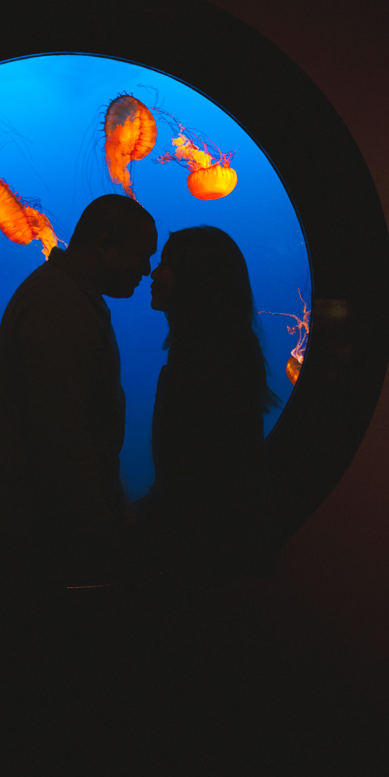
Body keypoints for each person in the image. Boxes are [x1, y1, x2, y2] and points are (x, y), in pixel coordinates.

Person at [0, 193, 158, 589]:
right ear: (106, 246)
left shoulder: (69, 294)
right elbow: (61, 436)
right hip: (41, 530)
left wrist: (114, 496)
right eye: (143, 255)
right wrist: (98, 529)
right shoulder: (60, 304)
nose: (147, 270)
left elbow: (82, 428)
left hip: (44, 522)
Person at [135, 225, 282, 590]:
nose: (154, 273)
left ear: (196, 278)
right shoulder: (220, 350)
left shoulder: (211, 360)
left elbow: (204, 473)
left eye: (166, 265)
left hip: (207, 554)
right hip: (218, 546)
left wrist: (145, 519)